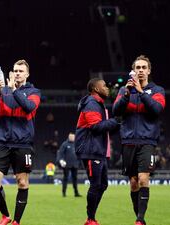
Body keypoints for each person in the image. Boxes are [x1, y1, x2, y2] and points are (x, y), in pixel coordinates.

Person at [0, 59, 41, 225]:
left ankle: (16, 221)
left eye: (20, 71)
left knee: (22, 182)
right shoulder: (3, 90)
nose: (17, 73)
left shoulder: (34, 91)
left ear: (27, 74)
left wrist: (14, 90)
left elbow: (29, 107)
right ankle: (5, 215)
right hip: (2, 142)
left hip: (23, 144)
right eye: (15, 70)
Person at [112, 55, 165, 225]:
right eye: (138, 68)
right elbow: (116, 110)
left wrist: (141, 93)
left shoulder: (157, 91)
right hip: (128, 141)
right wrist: (127, 93)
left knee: (143, 179)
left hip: (147, 141)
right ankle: (139, 217)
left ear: (149, 70)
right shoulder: (123, 90)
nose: (140, 70)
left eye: (143, 67)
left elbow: (156, 109)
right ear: (133, 71)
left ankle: (140, 220)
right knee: (133, 183)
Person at [75, 78, 119, 225]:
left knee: (103, 184)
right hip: (90, 150)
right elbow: (95, 126)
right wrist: (115, 121)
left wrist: (115, 124)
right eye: (104, 85)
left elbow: (101, 128)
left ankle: (91, 217)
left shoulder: (98, 104)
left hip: (98, 150)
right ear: (95, 88)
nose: (107, 88)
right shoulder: (92, 103)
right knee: (96, 184)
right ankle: (90, 219)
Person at [56, 132, 81, 197]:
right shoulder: (65, 144)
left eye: (73, 137)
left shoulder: (76, 144)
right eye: (70, 137)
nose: (72, 138)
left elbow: (79, 153)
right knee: (65, 178)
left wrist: (79, 161)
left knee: (75, 179)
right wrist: (61, 160)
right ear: (68, 137)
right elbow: (60, 153)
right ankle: (64, 193)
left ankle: (76, 193)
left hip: (75, 164)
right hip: (66, 164)